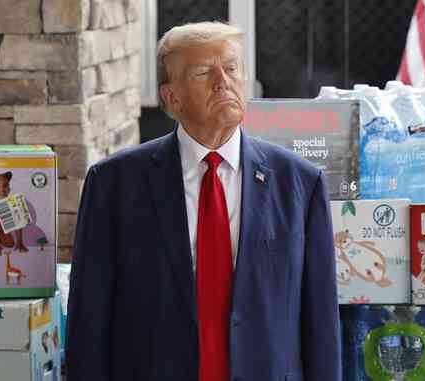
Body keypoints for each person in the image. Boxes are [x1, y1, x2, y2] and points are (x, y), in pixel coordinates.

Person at [66, 21, 340, 381]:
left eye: (230, 69)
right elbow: (89, 317)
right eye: (203, 72)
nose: (223, 82)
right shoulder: (114, 184)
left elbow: (321, 319)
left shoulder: (300, 183)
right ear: (171, 98)